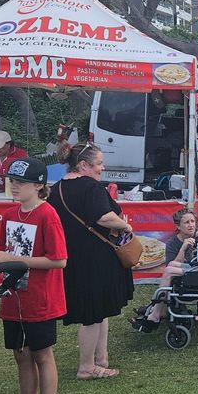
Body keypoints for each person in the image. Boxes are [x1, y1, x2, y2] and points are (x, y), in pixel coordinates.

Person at [0, 158, 66, 394]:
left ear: (39, 185)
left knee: (42, 355)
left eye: (21, 182)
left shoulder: (48, 215)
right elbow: (8, 251)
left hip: (40, 298)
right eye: (12, 181)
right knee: (20, 354)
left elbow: (59, 260)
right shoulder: (9, 214)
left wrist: (13, 259)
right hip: (13, 296)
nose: (14, 186)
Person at [49, 143, 134, 380]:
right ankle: (87, 367)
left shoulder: (57, 188)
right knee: (92, 315)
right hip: (94, 258)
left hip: (73, 258)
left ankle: (102, 358)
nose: (102, 168)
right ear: (83, 165)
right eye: (98, 164)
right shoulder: (91, 187)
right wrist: (126, 225)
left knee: (99, 311)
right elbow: (104, 217)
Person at [132, 208, 198, 332]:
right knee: (170, 271)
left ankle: (155, 311)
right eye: (187, 222)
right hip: (179, 278)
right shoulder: (173, 242)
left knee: (168, 274)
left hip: (195, 277)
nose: (191, 225)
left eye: (193, 221)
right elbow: (172, 266)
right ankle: (156, 311)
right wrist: (183, 249)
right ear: (178, 226)